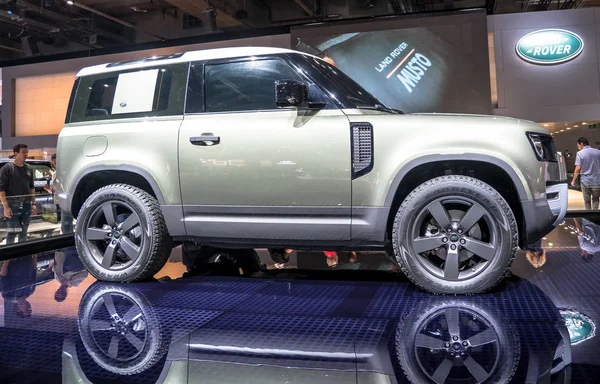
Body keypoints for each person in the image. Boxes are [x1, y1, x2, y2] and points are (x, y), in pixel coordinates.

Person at [0, 144, 38, 244]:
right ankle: (10, 255)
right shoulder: (7, 169)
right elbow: (1, 189)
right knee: (12, 233)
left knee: (24, 232)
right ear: (16, 153)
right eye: (23, 152)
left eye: (27, 152)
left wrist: (33, 204)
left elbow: (32, 188)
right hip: (13, 206)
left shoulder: (29, 168)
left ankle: (23, 255)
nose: (26, 154)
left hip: (27, 205)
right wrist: (6, 207)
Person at [44, 153, 74, 234]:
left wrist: (50, 189)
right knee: (66, 224)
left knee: (66, 225)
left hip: (65, 201)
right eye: (54, 163)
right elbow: (55, 190)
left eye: (57, 163)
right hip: (60, 201)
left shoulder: (62, 172)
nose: (55, 164)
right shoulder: (56, 173)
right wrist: (48, 189)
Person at [571, 137, 600, 210]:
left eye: (578, 146)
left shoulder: (580, 153)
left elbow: (578, 168)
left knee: (587, 201)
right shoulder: (597, 152)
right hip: (597, 180)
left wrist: (573, 180)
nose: (578, 148)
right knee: (596, 199)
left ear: (581, 144)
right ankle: (595, 217)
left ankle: (588, 217)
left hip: (585, 181)